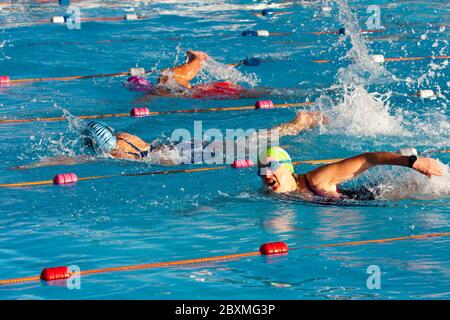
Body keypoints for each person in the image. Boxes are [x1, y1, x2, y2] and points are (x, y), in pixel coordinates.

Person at [13, 111, 327, 169]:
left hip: (177, 156)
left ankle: (296, 125)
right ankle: (294, 126)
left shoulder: (112, 153)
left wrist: (33, 166)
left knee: (251, 146)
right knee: (250, 142)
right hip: (180, 145)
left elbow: (71, 160)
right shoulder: (125, 136)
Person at [257, 146, 445, 201]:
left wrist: (413, 162)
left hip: (376, 197)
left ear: (288, 168)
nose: (266, 175)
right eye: (261, 170)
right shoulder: (271, 195)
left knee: (435, 190)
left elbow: (368, 159)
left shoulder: (317, 180)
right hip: (354, 204)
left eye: (271, 166)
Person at [125, 50, 265, 100]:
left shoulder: (167, 79)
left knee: (262, 93)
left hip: (209, 92)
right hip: (208, 89)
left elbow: (145, 99)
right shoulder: (162, 84)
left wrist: (194, 56)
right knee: (262, 93)